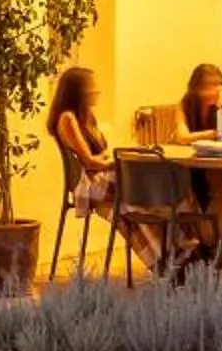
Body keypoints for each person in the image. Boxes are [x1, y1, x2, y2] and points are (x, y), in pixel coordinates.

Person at [49, 66, 150, 272]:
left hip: (100, 177)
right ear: (78, 90)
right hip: (89, 185)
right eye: (92, 86)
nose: (97, 90)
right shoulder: (67, 118)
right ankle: (168, 258)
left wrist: (109, 158)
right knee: (146, 195)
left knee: (142, 206)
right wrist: (117, 162)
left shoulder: (87, 116)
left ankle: (168, 257)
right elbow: (90, 162)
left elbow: (101, 154)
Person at [174, 61, 222, 268]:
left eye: (217, 85)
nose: (212, 91)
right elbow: (182, 137)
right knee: (198, 193)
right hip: (194, 168)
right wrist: (214, 133)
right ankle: (208, 250)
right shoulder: (185, 105)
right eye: (207, 86)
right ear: (196, 88)